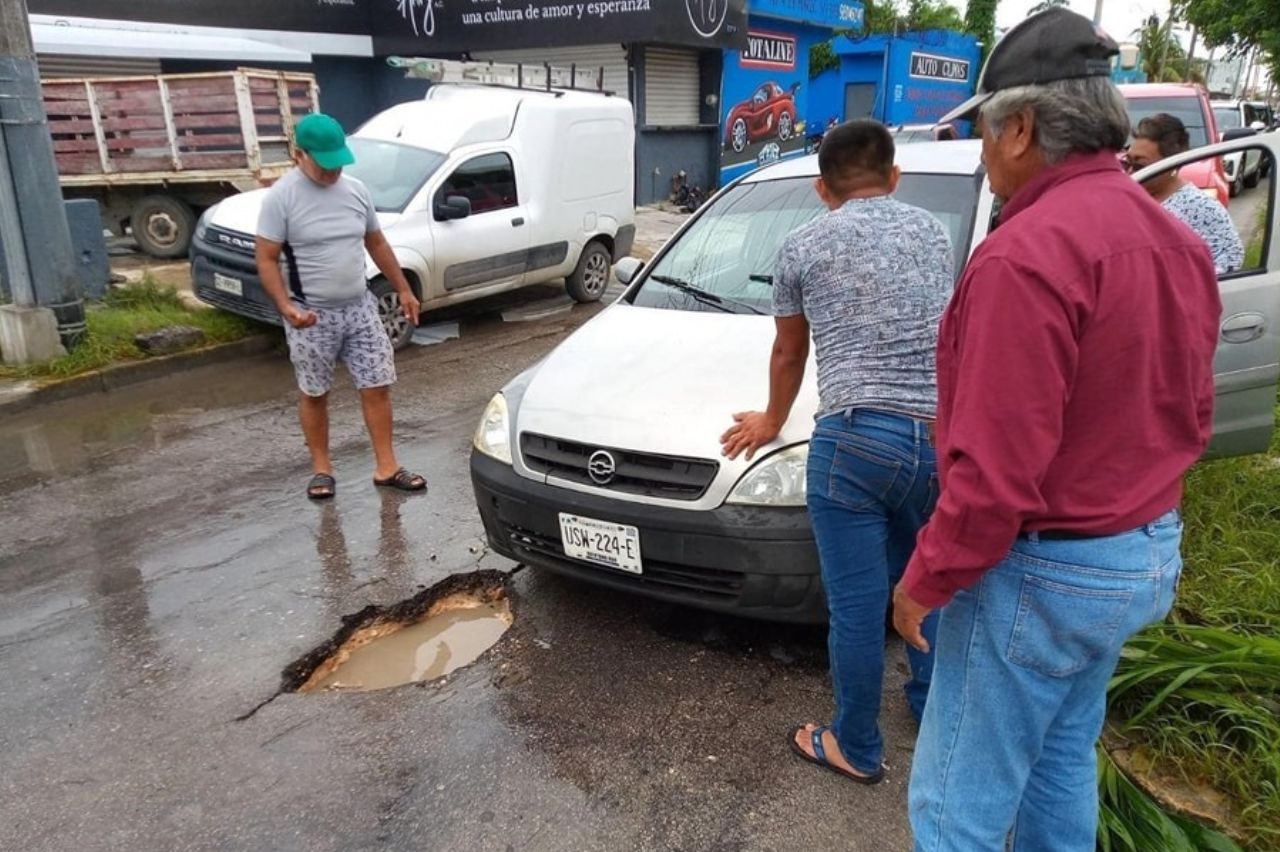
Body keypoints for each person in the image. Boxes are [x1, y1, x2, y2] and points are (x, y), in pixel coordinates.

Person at [891, 9, 1221, 851]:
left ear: (1023, 128)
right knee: (1060, 762)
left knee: (953, 807)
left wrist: (926, 577)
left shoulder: (1025, 253)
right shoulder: (1173, 239)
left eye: (985, 133)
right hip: (1143, 552)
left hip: (1046, 574)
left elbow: (995, 474)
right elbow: (1192, 412)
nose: (981, 156)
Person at [720, 119, 954, 785]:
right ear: (895, 177)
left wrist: (770, 418)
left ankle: (855, 744)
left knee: (856, 607)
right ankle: (932, 708)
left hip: (852, 442)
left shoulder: (802, 245)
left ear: (823, 188)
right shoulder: (934, 235)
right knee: (927, 584)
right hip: (935, 439)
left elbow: (790, 349)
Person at [256, 113, 427, 500]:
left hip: (360, 307)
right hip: (311, 315)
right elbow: (265, 258)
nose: (334, 170)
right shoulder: (281, 198)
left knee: (377, 384)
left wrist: (403, 288)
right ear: (299, 154)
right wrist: (285, 307)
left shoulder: (355, 191)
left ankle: (387, 466)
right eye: (324, 162)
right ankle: (322, 469)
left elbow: (376, 243)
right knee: (315, 392)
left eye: (338, 161)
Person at [1127, 113, 1246, 274]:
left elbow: (1229, 263)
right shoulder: (1129, 198)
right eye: (1127, 162)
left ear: (1170, 165)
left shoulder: (1203, 209)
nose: (1129, 171)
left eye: (1139, 165)